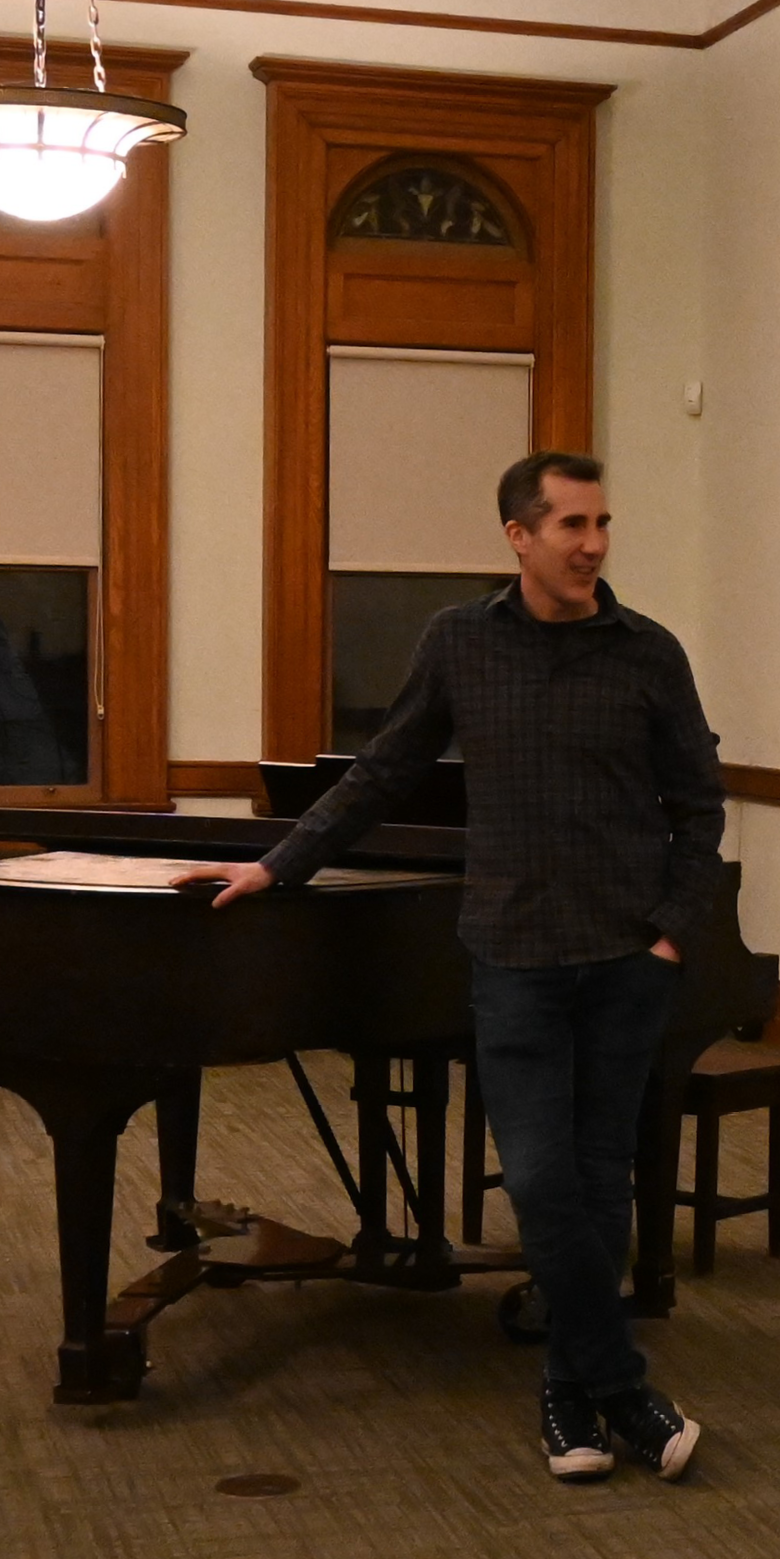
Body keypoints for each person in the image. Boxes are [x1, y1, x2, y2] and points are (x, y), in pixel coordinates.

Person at [178, 451, 726, 1486]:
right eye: (571, 525)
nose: (594, 544)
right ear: (519, 536)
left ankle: (567, 1394)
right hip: (514, 959)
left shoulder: (650, 653)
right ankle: (623, 1391)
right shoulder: (459, 643)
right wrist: (280, 863)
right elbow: (385, 770)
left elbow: (700, 804)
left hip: (626, 961)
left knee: (600, 1181)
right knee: (542, 1179)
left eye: (603, 523)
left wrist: (672, 935)